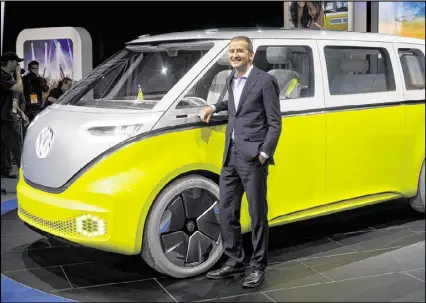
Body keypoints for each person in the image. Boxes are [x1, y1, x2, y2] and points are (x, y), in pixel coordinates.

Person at [199, 36, 282, 288]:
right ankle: (234, 260)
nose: (234, 55)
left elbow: (275, 123)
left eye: (240, 51)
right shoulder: (231, 78)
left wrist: (264, 154)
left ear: (251, 55)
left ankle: (257, 266)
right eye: (232, 51)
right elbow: (233, 104)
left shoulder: (265, 81)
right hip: (230, 155)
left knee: (257, 215)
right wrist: (213, 106)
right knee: (227, 211)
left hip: (253, 157)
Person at [1, 51, 28, 179]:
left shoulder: (6, 76)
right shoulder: (2, 75)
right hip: (5, 119)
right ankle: (25, 177)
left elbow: (11, 99)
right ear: (11, 62)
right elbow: (19, 89)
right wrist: (18, 74)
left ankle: (6, 171)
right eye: (16, 62)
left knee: (5, 149)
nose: (17, 64)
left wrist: (19, 111)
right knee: (17, 148)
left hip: (7, 116)